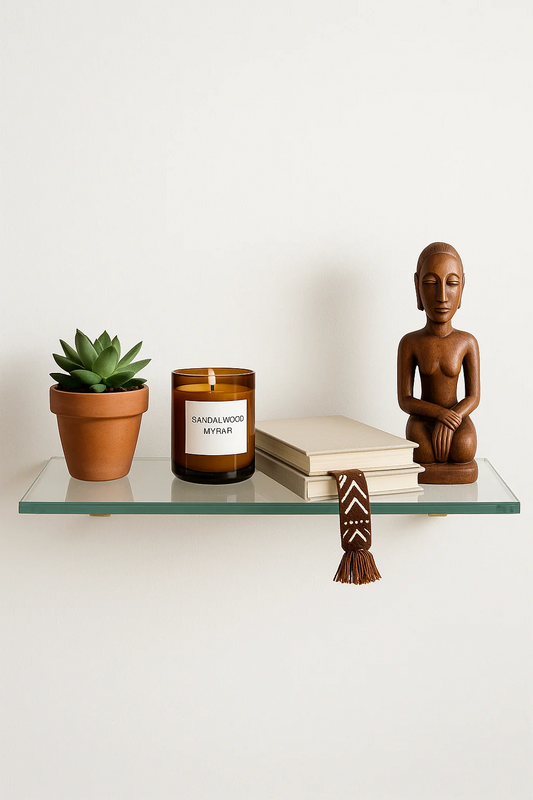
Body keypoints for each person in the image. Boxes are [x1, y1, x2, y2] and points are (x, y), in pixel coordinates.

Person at [397, 242, 480, 483]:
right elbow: (405, 399)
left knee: (464, 449)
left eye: (452, 283)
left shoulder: (467, 342)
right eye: (431, 283)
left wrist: (453, 418)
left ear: (462, 287)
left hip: (457, 419)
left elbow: (473, 396)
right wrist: (440, 414)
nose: (442, 296)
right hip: (423, 421)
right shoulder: (410, 342)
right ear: (417, 287)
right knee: (421, 451)